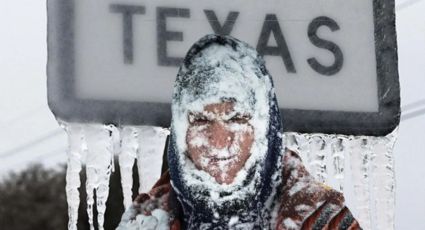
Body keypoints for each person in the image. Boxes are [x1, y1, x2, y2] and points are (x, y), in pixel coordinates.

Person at [117, 35, 361, 230]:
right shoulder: (144, 221)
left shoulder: (323, 220)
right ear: (181, 131)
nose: (220, 141)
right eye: (201, 120)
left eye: (236, 118)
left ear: (265, 127)